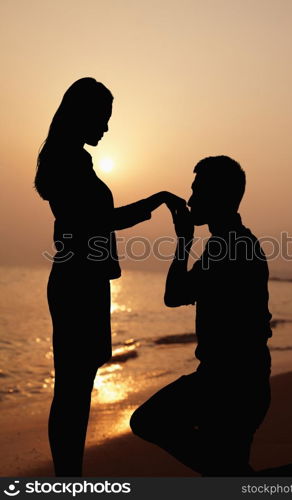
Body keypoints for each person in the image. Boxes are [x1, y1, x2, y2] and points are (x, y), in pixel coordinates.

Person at [34, 77, 184, 476]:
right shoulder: (68, 160)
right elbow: (102, 220)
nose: (105, 128)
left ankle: (70, 474)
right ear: (81, 116)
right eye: (102, 118)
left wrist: (159, 200)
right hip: (77, 282)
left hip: (83, 280)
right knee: (72, 388)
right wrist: (159, 200)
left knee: (76, 385)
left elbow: (98, 221)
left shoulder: (68, 158)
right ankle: (69, 478)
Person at [130, 155, 272, 476]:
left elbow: (174, 295)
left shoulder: (229, 248)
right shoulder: (229, 243)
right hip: (242, 380)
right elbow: (180, 295)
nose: (191, 200)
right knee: (229, 474)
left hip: (228, 384)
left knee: (148, 421)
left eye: (197, 192)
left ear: (217, 197)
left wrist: (183, 242)